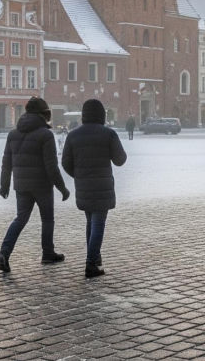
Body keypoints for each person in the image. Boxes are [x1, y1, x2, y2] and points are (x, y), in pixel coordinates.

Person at [0, 97, 70, 273]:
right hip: (42, 185)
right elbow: (51, 166)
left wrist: (4, 185)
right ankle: (48, 253)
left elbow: (6, 163)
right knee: (47, 219)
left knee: (20, 218)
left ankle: (4, 253)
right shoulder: (45, 134)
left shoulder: (13, 133)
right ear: (44, 114)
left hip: (21, 184)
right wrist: (62, 188)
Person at [61, 99, 127, 279]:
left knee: (91, 221)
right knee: (98, 223)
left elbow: (65, 163)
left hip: (83, 186)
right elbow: (120, 159)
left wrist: (80, 175)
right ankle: (91, 264)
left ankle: (95, 257)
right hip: (103, 186)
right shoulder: (108, 134)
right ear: (102, 115)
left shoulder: (73, 135)